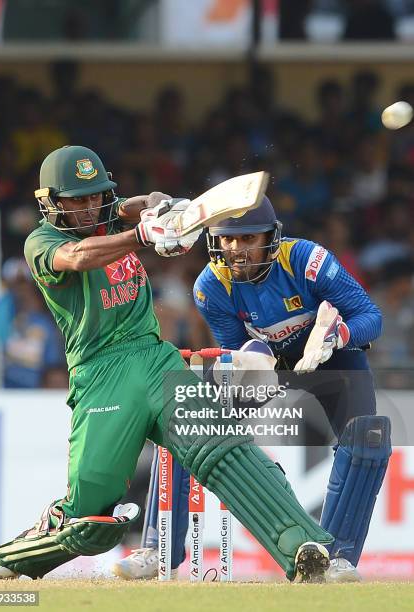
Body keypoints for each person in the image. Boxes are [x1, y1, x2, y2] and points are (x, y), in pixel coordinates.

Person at [0, 146, 334, 583]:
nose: (90, 206)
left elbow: (142, 202)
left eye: (96, 196)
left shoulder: (107, 214)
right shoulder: (43, 242)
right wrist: (142, 238)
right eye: (77, 199)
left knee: (224, 450)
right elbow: (78, 257)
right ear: (52, 202)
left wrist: (165, 209)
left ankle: (303, 547)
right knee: (90, 521)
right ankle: (12, 558)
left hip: (154, 357)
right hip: (103, 373)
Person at [116, 196, 391, 583]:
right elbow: (233, 347)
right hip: (263, 364)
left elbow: (370, 316)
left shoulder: (307, 260)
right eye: (228, 240)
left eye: (248, 239)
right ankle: (159, 549)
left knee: (369, 437)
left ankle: (337, 558)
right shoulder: (210, 286)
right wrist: (252, 357)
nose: (236, 250)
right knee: (184, 417)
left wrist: (340, 335)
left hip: (332, 357)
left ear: (271, 237)